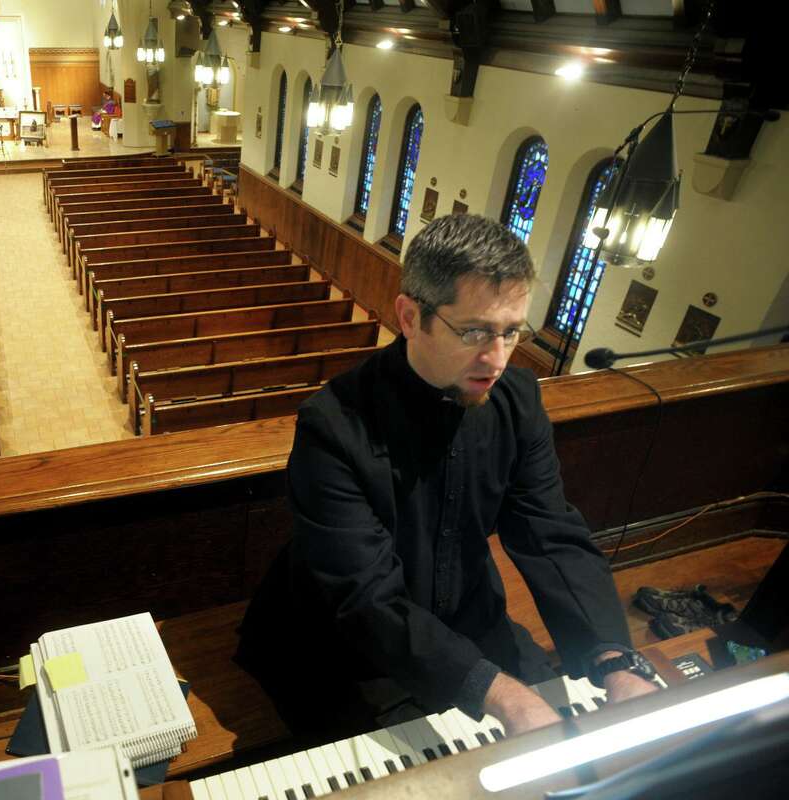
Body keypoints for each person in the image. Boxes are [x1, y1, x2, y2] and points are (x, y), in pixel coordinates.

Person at [235, 213, 659, 744]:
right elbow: (365, 596)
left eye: (511, 332)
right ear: (411, 316)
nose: (498, 358)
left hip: (466, 614)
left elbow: (550, 533)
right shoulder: (333, 425)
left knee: (565, 734)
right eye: (476, 332)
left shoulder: (518, 399)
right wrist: (500, 693)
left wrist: (615, 657)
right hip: (341, 639)